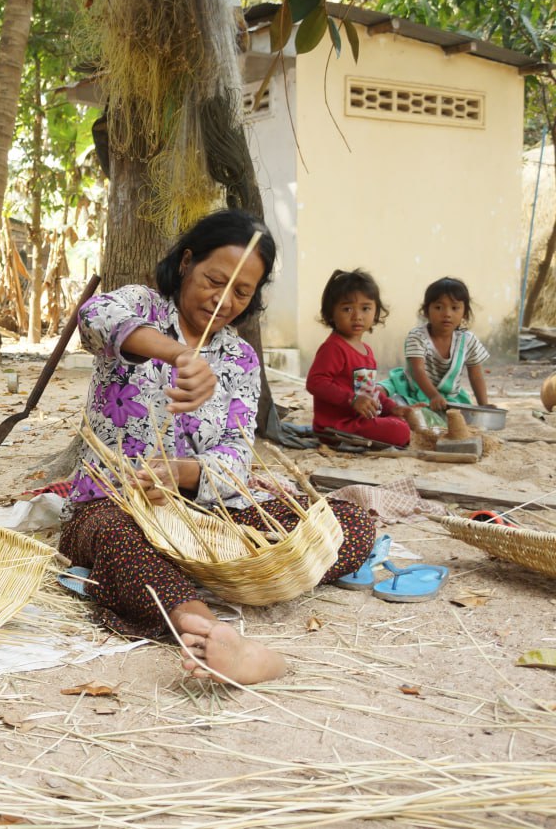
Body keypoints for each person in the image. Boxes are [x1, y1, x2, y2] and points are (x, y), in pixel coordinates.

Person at [60, 210, 373, 686]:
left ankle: (212, 577)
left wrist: (182, 472)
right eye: (214, 280)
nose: (223, 300)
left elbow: (235, 457)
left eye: (241, 292)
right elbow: (93, 316)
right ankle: (211, 631)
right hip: (114, 505)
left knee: (346, 523)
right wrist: (178, 354)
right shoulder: (141, 307)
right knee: (117, 540)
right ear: (187, 262)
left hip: (207, 520)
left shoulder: (240, 358)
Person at [306, 269, 414, 447]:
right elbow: (315, 382)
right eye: (347, 309)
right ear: (331, 313)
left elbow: (368, 391)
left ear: (376, 312)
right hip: (336, 426)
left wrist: (391, 407)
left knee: (400, 421)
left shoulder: (367, 351)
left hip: (359, 419)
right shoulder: (334, 348)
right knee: (399, 431)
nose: (357, 316)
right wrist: (352, 399)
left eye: (365, 308)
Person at [379, 277, 490, 425]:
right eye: (438, 307)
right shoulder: (417, 336)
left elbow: (476, 375)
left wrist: (484, 406)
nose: (447, 314)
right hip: (409, 387)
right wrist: (433, 396)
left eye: (455, 308)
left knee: (457, 419)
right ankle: (397, 408)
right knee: (377, 391)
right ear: (426, 311)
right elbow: (418, 370)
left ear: (464, 313)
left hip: (446, 398)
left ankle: (412, 413)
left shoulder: (468, 341)